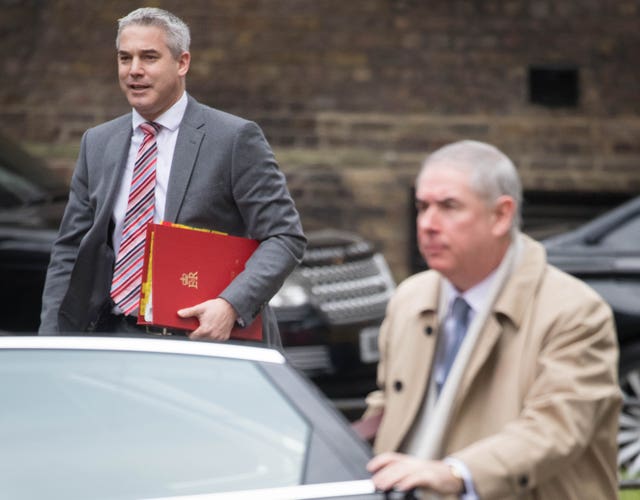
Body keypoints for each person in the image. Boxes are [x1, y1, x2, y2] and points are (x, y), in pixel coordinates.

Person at [360, 140, 621, 499]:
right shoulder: (410, 297)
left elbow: (556, 427)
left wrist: (456, 473)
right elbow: (390, 406)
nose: (428, 224)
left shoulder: (575, 310)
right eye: (422, 207)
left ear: (501, 215)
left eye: (449, 207)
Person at [38, 7, 306, 347]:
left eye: (149, 57)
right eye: (125, 58)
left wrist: (230, 305)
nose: (134, 70)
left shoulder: (234, 138)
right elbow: (70, 250)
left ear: (182, 63)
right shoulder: (98, 142)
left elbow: (284, 237)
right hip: (115, 338)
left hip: (205, 341)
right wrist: (50, 341)